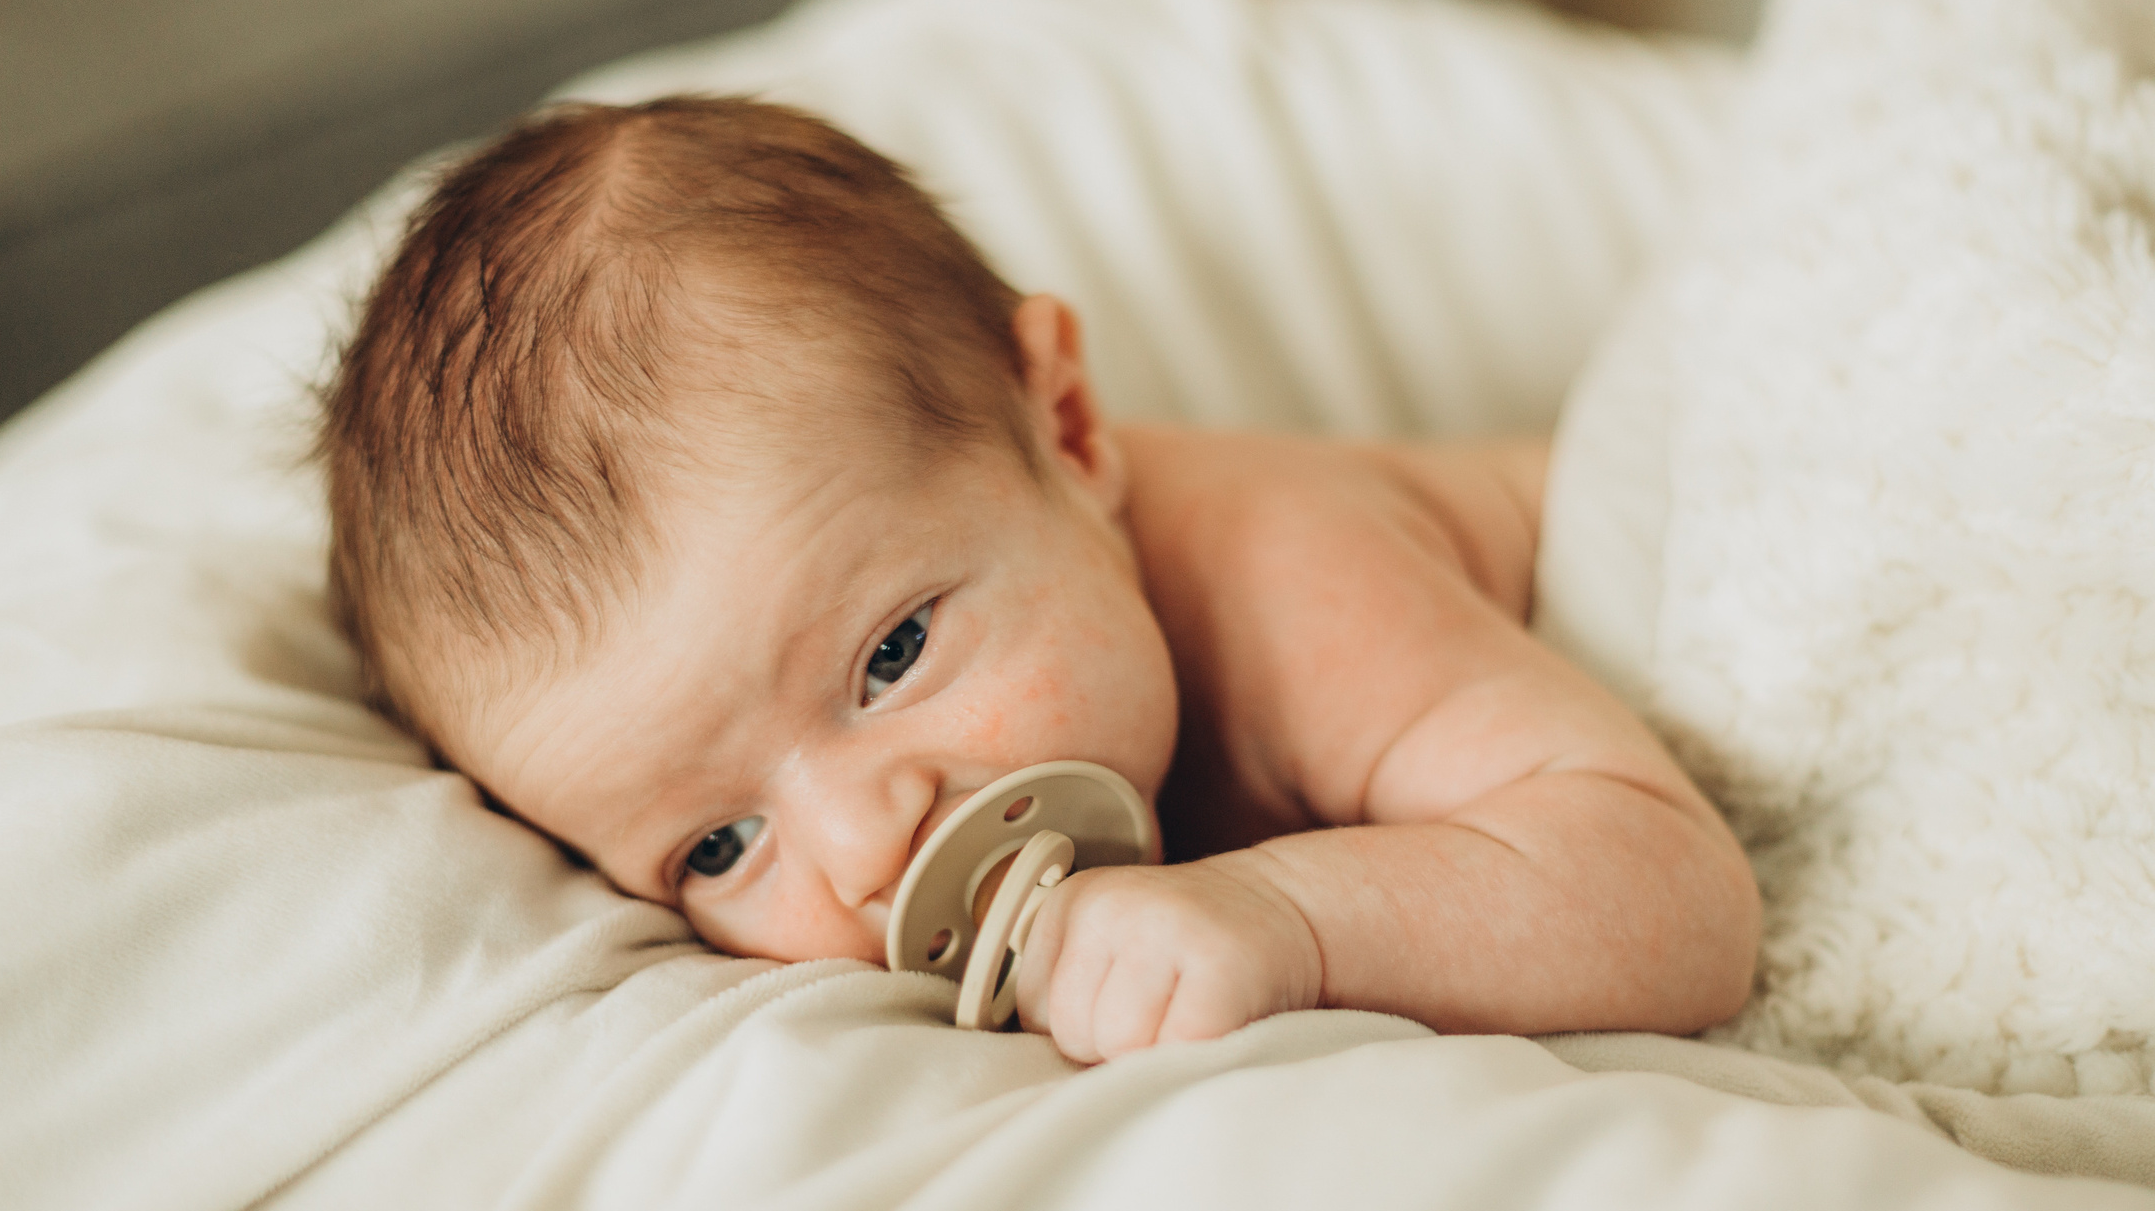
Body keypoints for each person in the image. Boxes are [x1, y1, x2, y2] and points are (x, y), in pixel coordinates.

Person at [320, 95, 1759, 1064]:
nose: (864, 854)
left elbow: (1677, 894)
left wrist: (1294, 922)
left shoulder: (1284, 584)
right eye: (716, 849)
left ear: (1067, 432)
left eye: (890, 658)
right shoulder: (964, 668)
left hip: (1690, 528)